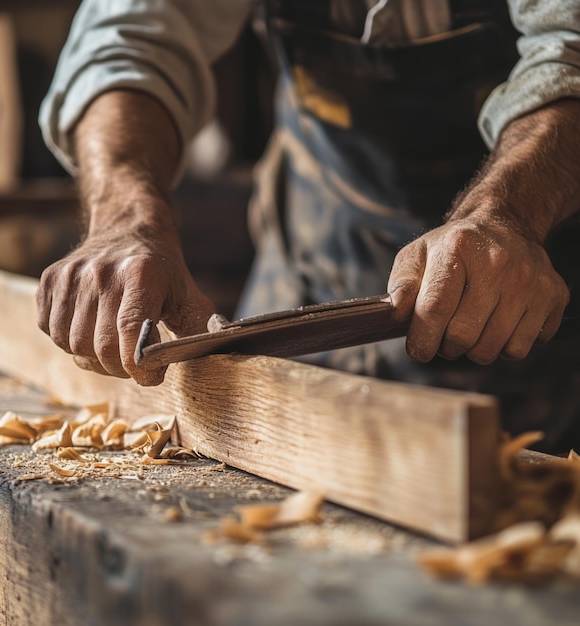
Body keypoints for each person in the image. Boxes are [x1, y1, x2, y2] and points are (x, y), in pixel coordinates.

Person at [37, 1, 580, 451]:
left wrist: (507, 214)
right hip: (313, 250)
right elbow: (129, 39)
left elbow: (570, 49)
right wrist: (125, 217)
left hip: (535, 278)